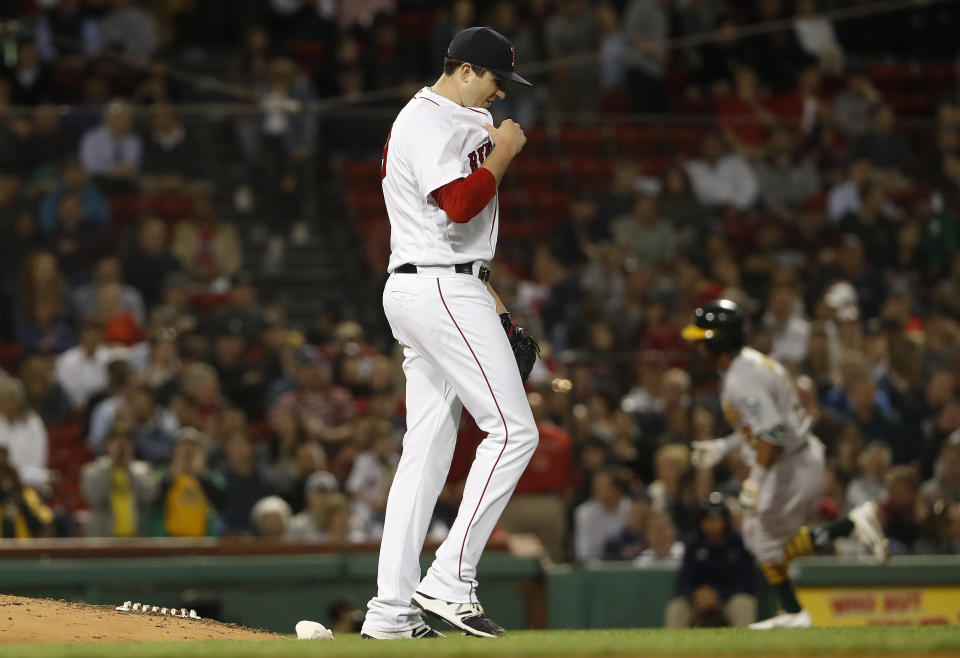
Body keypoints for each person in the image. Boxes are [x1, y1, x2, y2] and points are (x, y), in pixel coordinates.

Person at [361, 27, 537, 640]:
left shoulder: (444, 117)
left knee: (425, 457)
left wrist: (486, 290)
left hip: (433, 282)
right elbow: (458, 205)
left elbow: (454, 228)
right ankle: (448, 582)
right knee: (514, 431)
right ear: (464, 70)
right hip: (437, 287)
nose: (498, 96)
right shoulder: (431, 119)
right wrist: (505, 152)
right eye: (493, 81)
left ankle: (390, 614)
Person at [683, 299, 889, 628]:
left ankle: (846, 533)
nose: (697, 345)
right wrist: (724, 446)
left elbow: (774, 434)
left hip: (789, 464)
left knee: (763, 541)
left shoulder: (741, 378)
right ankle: (796, 609)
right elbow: (764, 425)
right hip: (798, 457)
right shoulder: (750, 363)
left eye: (702, 337)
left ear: (717, 339)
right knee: (759, 539)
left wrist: (755, 482)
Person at [665, 495, 756, 628]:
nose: (712, 525)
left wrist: (718, 595)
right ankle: (671, 648)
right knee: (677, 607)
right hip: (699, 602)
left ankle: (743, 647)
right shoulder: (693, 545)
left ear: (725, 521)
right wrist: (696, 595)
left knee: (743, 603)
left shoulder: (740, 545)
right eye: (707, 520)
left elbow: (746, 584)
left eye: (716, 520)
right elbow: (683, 584)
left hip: (728, 600)